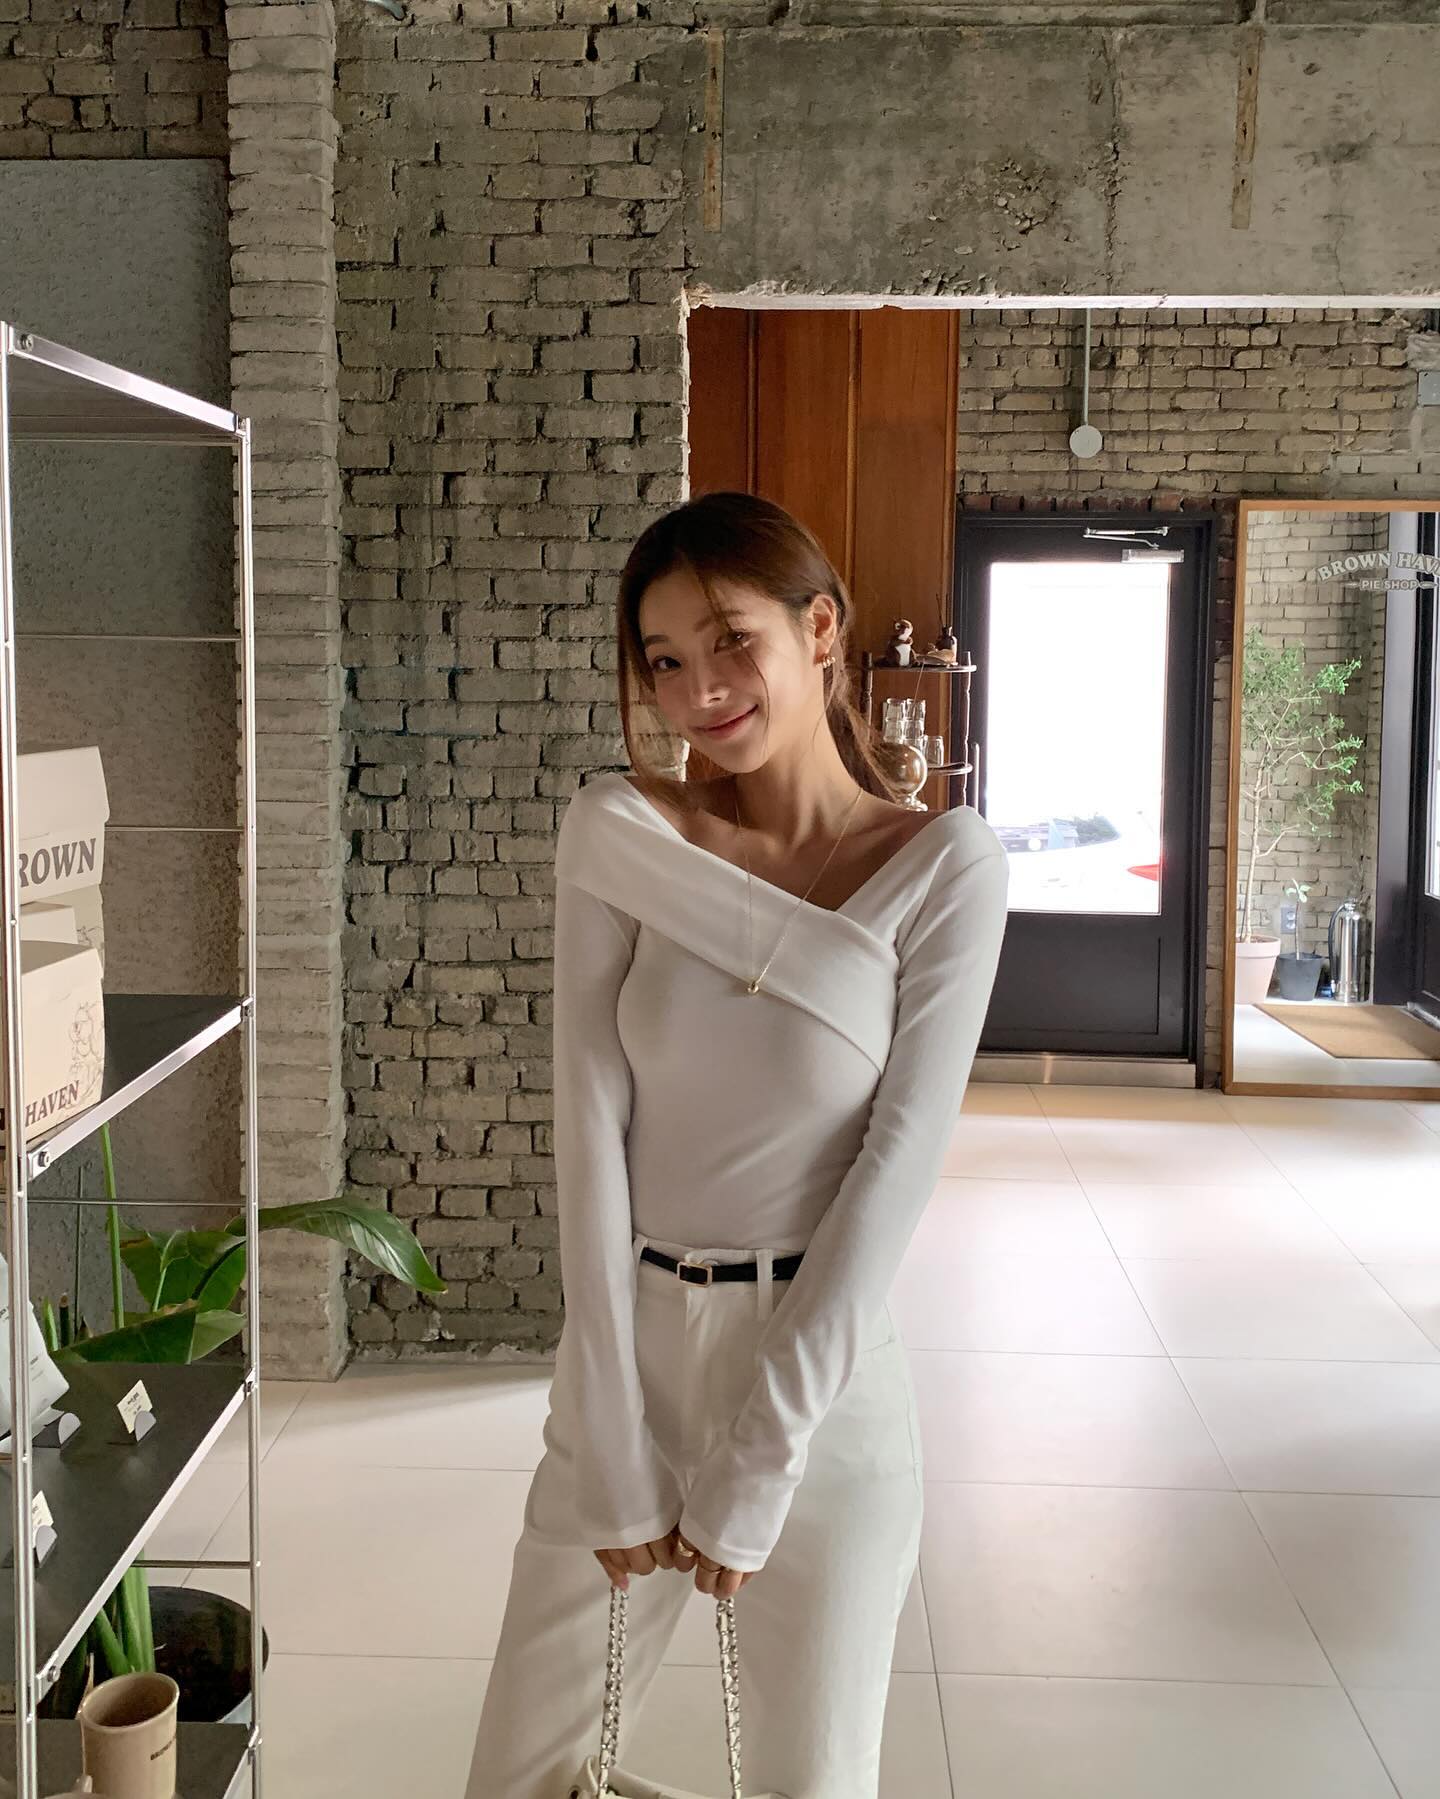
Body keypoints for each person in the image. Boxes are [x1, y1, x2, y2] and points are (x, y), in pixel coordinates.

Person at [464, 492, 1009, 1799]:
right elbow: (588, 1123)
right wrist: (606, 1425)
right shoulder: (621, 831)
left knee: (810, 1784)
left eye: (730, 642)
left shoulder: (946, 866)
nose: (698, 691)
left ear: (819, 629)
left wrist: (763, 1455)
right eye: (663, 660)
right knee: (521, 1776)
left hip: (824, 1390)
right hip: (632, 1358)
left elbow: (893, 1173)